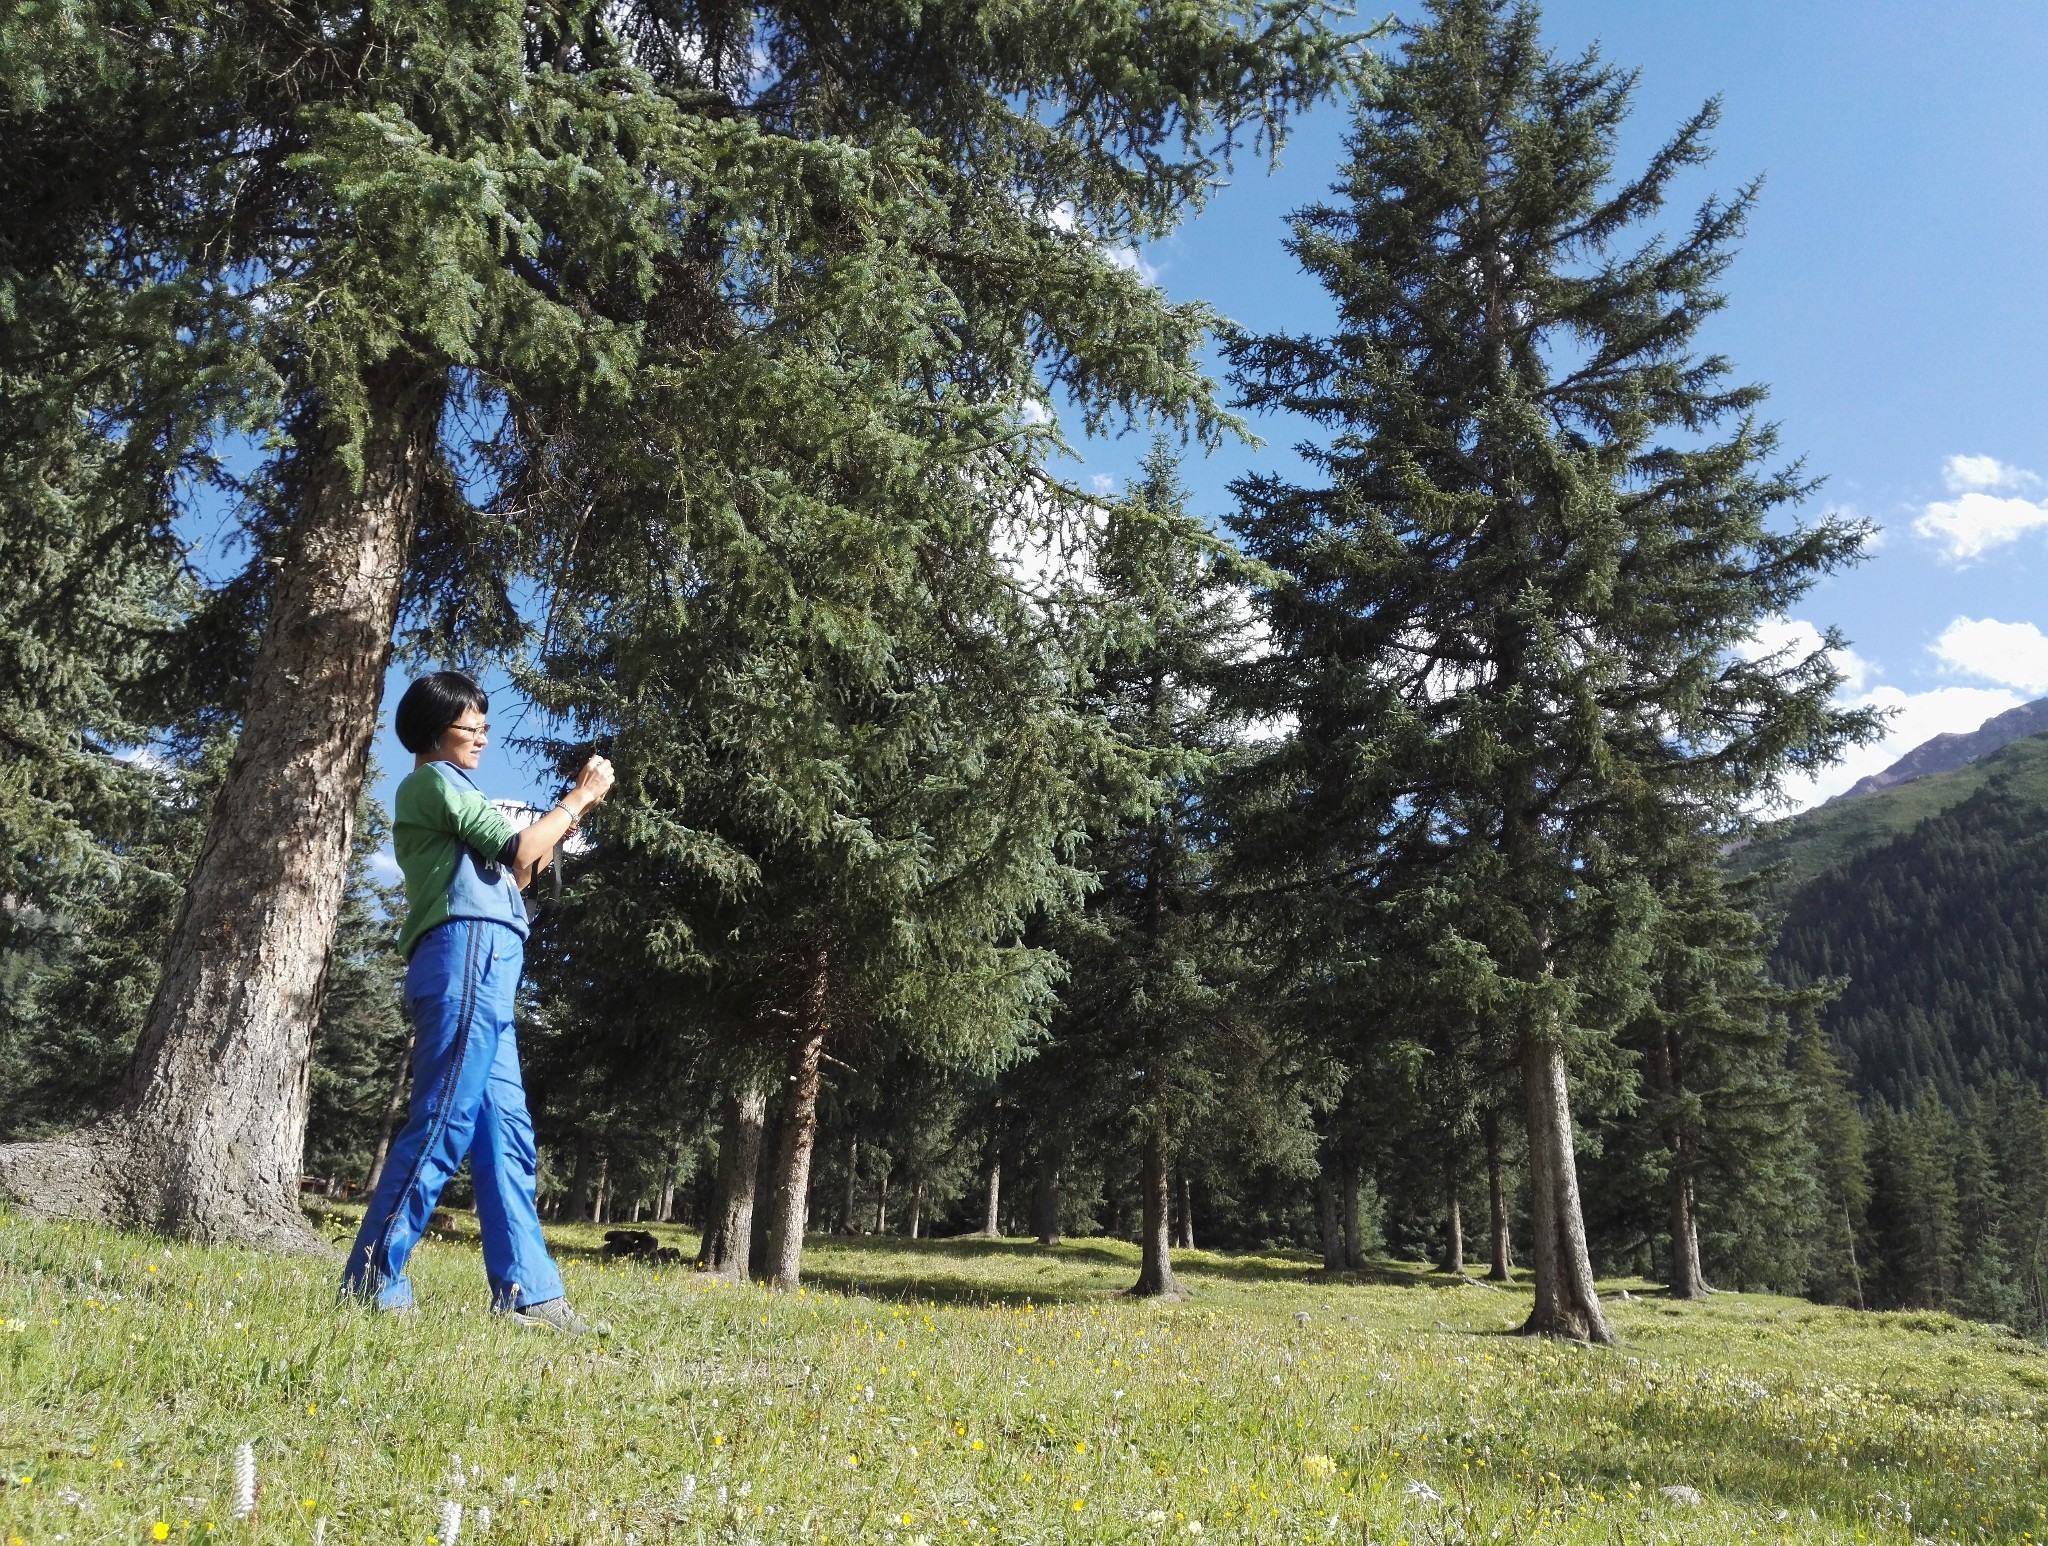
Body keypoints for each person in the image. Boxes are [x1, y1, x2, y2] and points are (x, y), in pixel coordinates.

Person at [341, 670, 615, 1331]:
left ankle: (531, 1295)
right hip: (462, 952)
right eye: (473, 726)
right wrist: (580, 799)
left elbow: (520, 869)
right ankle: (372, 1283)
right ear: (436, 730)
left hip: (491, 959)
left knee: (505, 1136)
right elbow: (521, 845)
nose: (482, 737)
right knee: (444, 1121)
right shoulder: (432, 781)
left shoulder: (461, 792)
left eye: (486, 727)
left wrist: (556, 827)